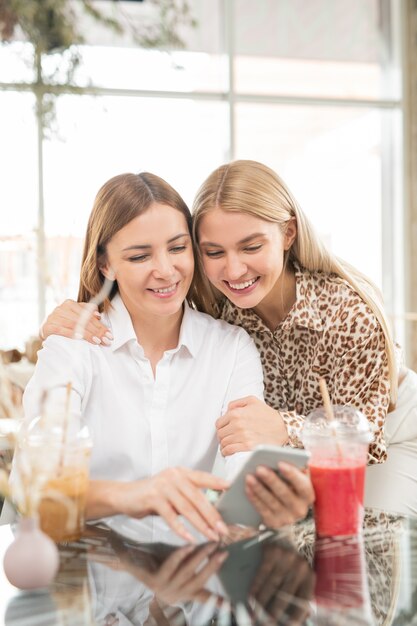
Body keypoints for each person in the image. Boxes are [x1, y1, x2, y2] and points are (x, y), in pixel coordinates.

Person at [23, 171, 314, 541]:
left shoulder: (231, 348)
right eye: (140, 255)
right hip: (94, 574)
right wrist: (137, 495)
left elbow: (243, 475)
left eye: (178, 248)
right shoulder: (72, 349)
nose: (165, 270)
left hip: (197, 575)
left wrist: (269, 504)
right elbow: (36, 490)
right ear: (105, 265)